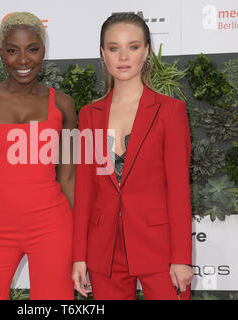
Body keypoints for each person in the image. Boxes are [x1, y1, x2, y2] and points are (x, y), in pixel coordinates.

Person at [71, 12, 193, 300]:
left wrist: (182, 257)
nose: (123, 57)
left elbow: (178, 190)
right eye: (114, 48)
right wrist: (79, 256)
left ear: (147, 51)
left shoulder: (170, 111)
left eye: (133, 47)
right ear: (103, 54)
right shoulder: (89, 114)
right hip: (104, 252)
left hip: (160, 249)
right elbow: (85, 189)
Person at [0, 12, 77, 300]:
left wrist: (79, 244)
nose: (23, 60)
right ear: (1, 54)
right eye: (13, 50)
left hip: (54, 228)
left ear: (43, 52)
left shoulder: (64, 105)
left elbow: (69, 176)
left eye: (32, 49)